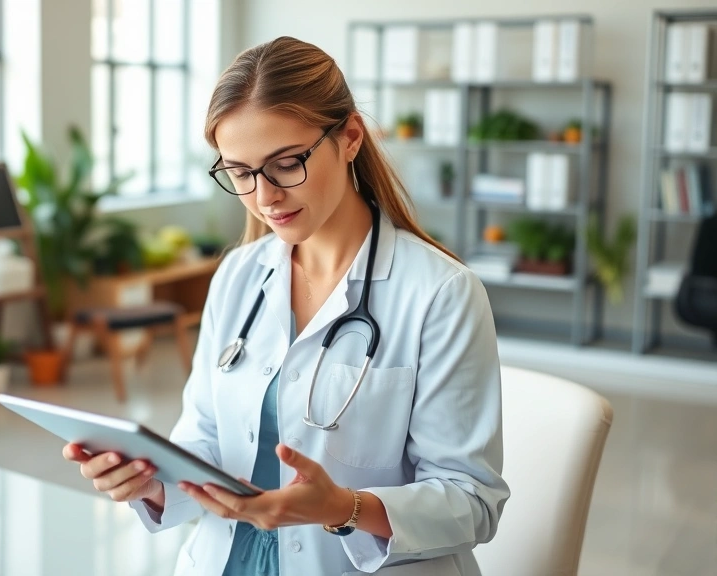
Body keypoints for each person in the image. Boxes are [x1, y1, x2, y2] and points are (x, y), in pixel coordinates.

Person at [63, 36, 509, 575]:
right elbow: (203, 436)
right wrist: (153, 482)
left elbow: (473, 502)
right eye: (242, 173)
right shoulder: (238, 275)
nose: (264, 196)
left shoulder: (441, 293)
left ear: (349, 138)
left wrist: (343, 508)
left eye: (286, 163)